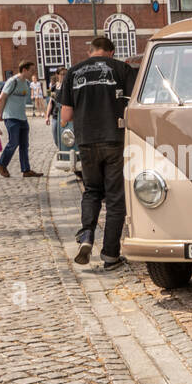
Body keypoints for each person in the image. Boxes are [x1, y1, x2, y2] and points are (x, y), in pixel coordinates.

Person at [59, 36, 137, 270]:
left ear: (91, 51)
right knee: (115, 198)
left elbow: (65, 117)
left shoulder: (73, 72)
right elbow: (134, 105)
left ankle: (86, 236)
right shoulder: (122, 68)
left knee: (92, 191)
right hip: (115, 140)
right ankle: (111, 255)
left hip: (86, 141)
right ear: (111, 52)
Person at [0, 61, 42, 178]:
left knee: (24, 144)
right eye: (31, 70)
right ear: (24, 70)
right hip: (11, 117)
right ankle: (1, 164)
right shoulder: (12, 81)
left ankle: (26, 170)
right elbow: (2, 98)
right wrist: (1, 115)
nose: (33, 73)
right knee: (13, 142)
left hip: (22, 117)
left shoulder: (26, 83)